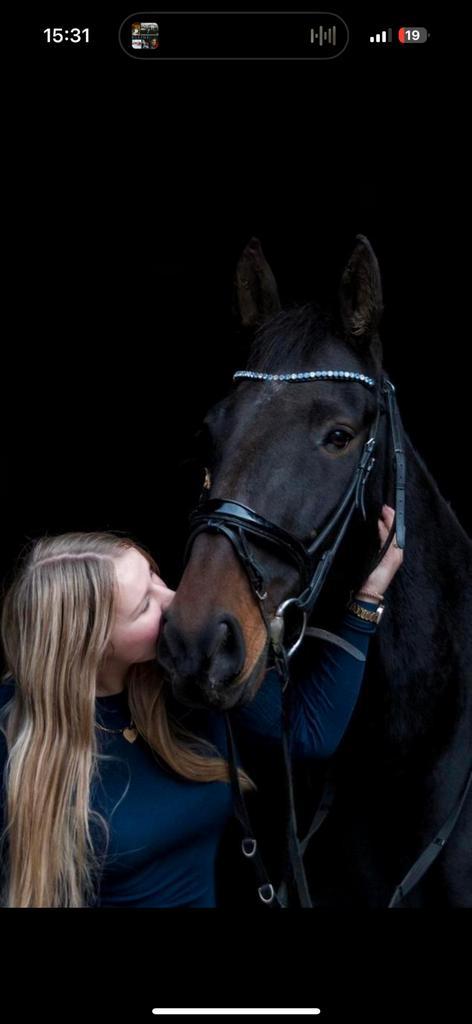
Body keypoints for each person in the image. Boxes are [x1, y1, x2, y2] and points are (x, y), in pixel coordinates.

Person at [0, 506, 402, 908]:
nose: (173, 599)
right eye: (144, 606)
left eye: (155, 577)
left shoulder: (188, 675)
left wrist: (368, 597)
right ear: (91, 645)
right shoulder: (16, 737)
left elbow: (308, 733)